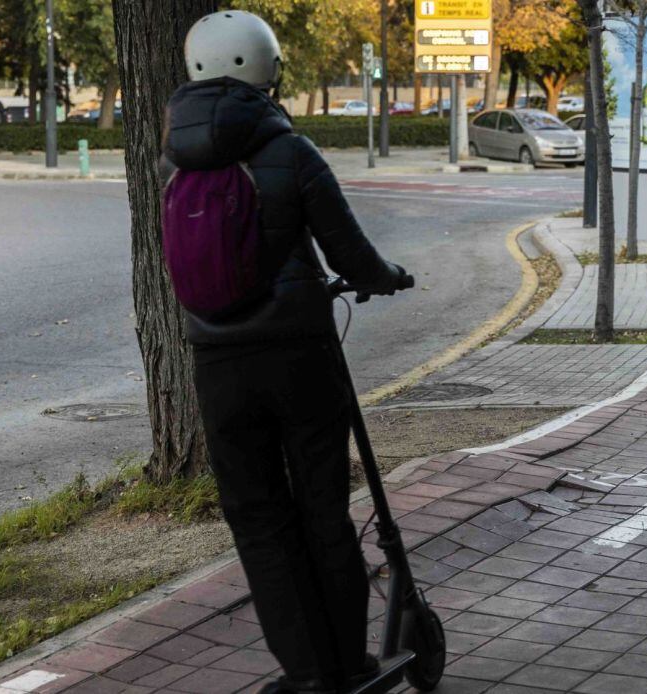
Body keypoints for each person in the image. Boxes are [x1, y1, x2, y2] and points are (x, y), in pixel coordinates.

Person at [160, 11, 409, 693]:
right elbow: (352, 255)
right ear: (268, 69)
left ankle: (304, 671)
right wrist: (384, 278)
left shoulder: (173, 158)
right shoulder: (291, 152)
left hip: (216, 365)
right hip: (299, 356)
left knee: (259, 519)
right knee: (322, 509)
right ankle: (348, 664)